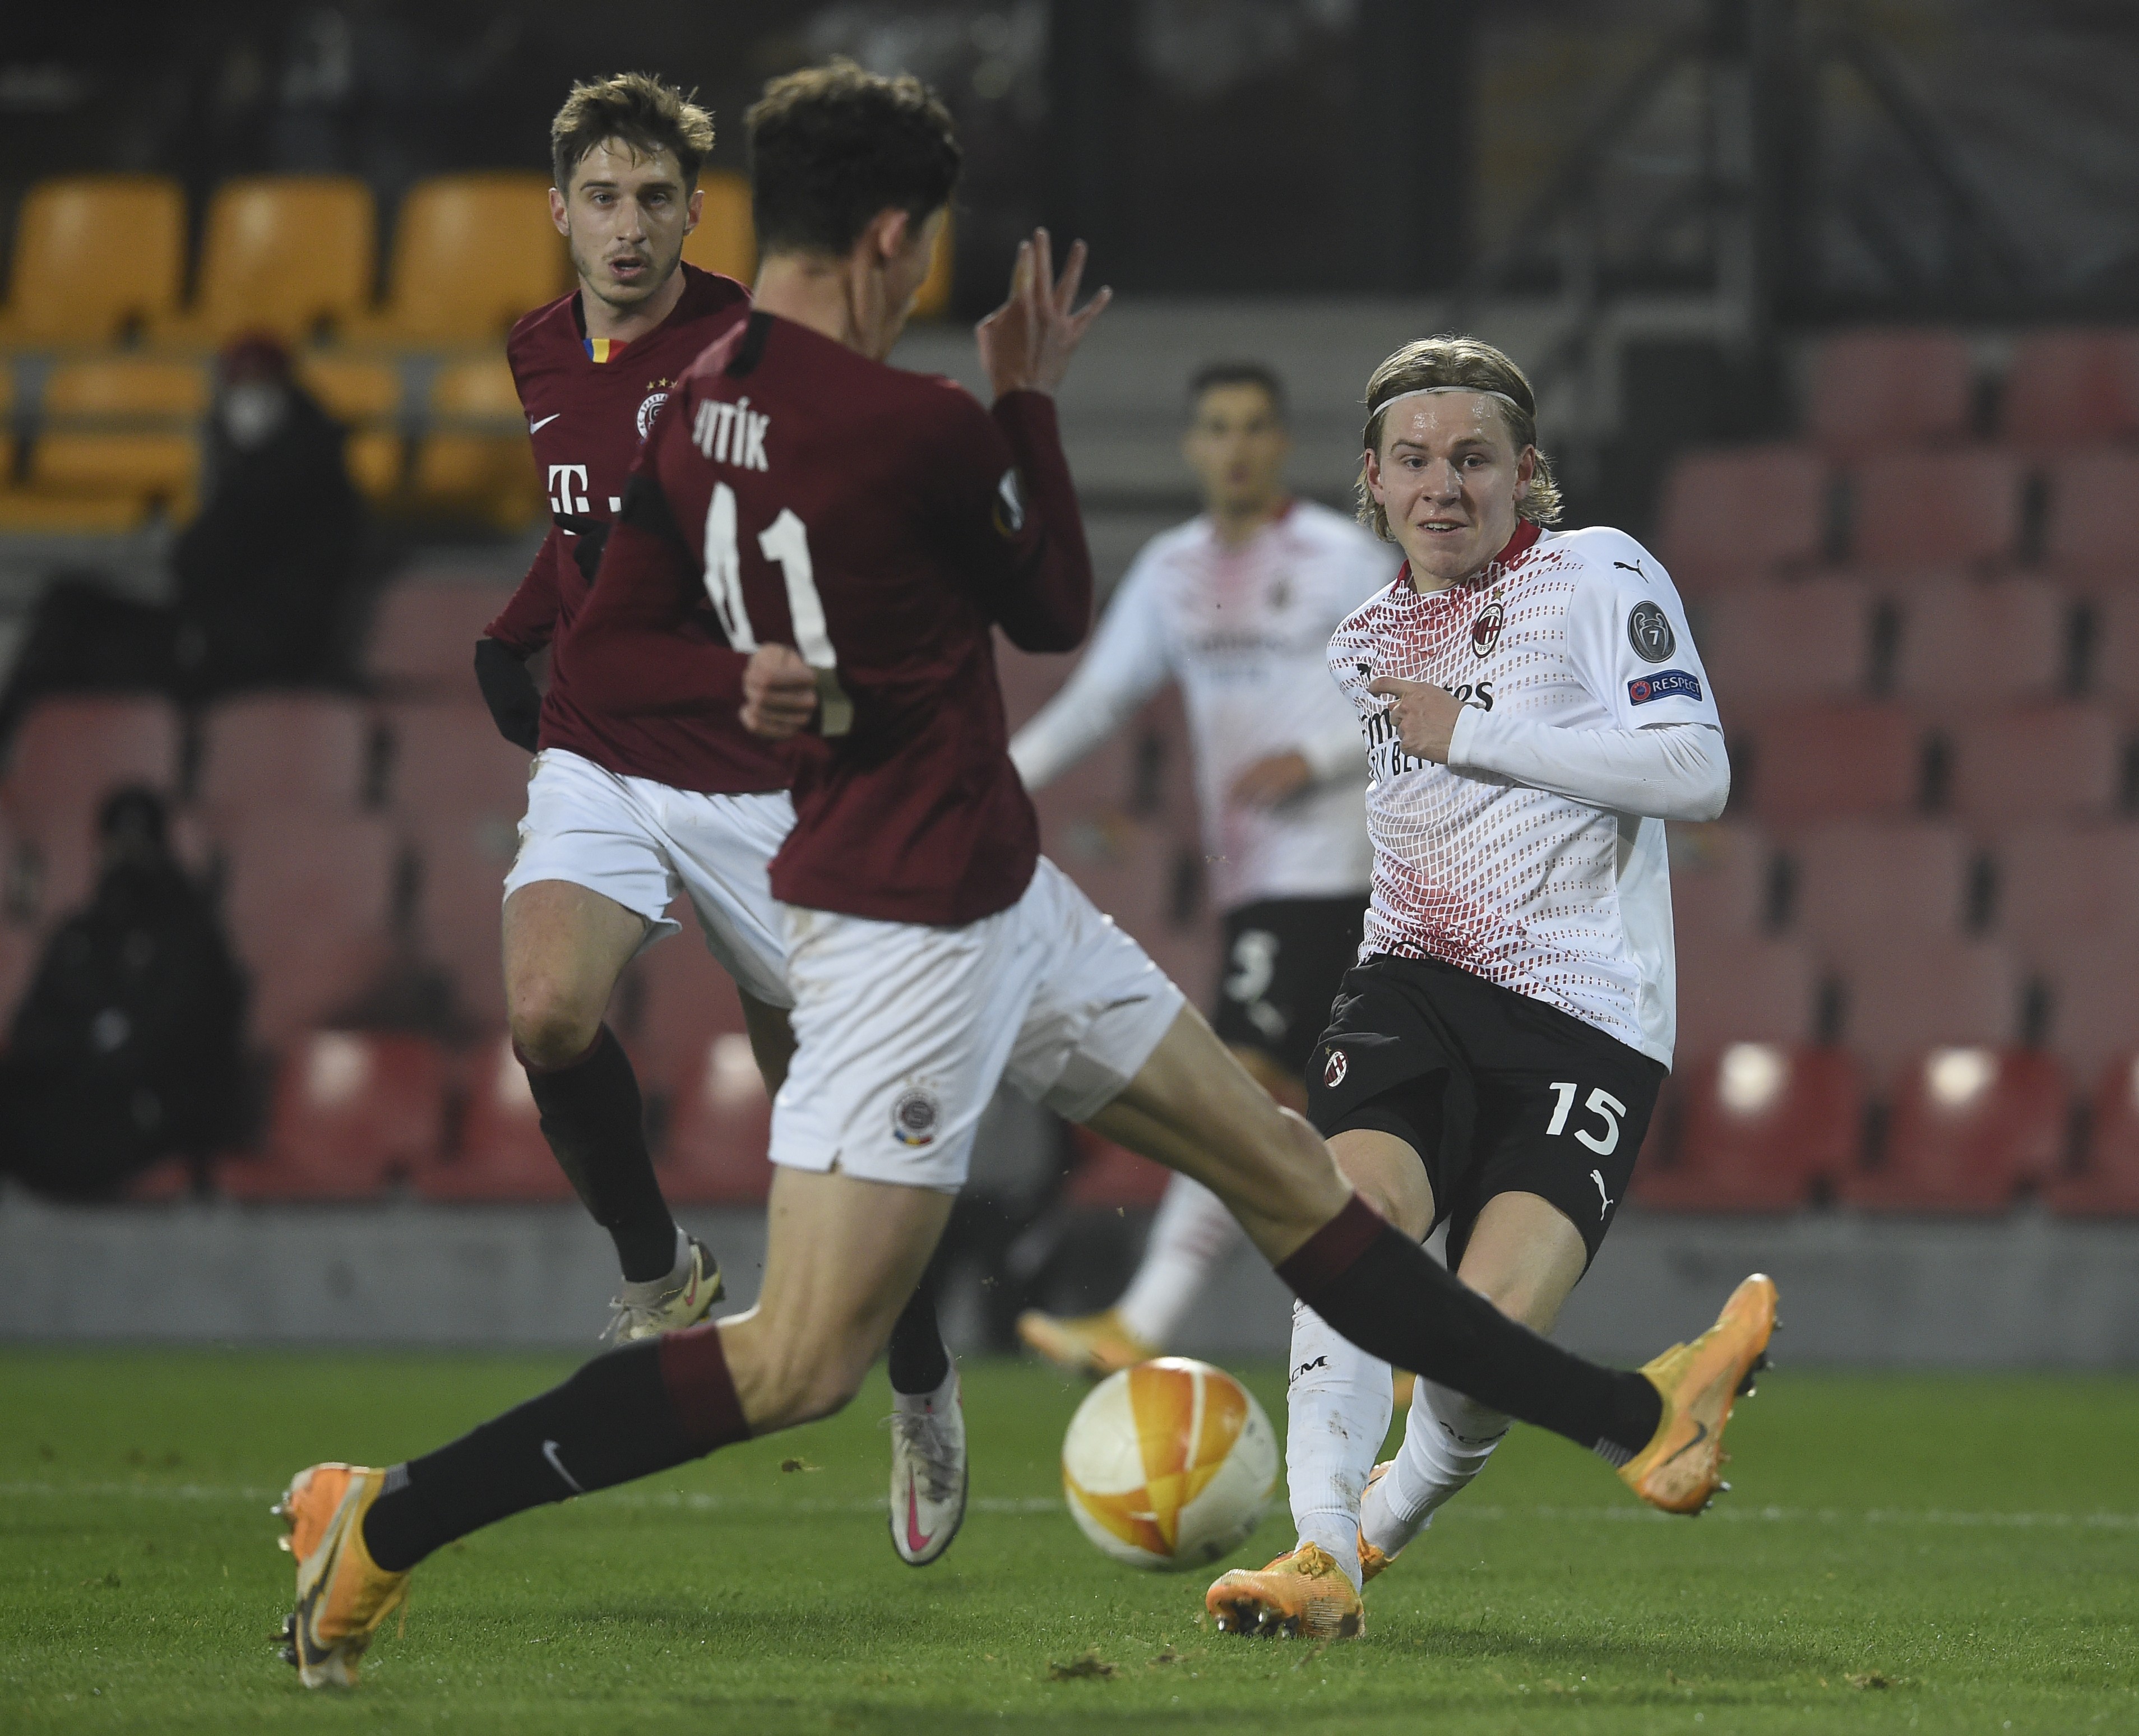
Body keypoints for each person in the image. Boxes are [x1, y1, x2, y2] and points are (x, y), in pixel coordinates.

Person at [271, 65, 1774, 1691]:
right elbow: (1051, 606)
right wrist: (1028, 401)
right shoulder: (916, 422)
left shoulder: (681, 410)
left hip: (1011, 894)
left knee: (1287, 1172)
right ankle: (387, 1517)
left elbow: (604, 647)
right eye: (927, 246)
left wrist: (790, 695)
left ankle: (1637, 1413)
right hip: (908, 931)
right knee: (796, 1362)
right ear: (897, 237)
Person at [1205, 336, 1739, 1640]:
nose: (1443, 485)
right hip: (1413, 982)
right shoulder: (1363, 640)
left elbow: (1698, 772)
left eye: (1473, 458)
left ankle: (1370, 1531)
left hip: (1588, 1015)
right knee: (1346, 1228)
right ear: (1372, 485)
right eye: (1414, 461)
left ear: (1526, 475)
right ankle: (1317, 1553)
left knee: (1479, 1343)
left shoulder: (1599, 572)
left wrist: (1475, 732)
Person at [1010, 360, 1394, 1378]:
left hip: (1336, 867)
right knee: (1324, 1118)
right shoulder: (1173, 573)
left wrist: (1311, 761)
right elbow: (1096, 702)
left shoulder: (1342, 557)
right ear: (1193, 445)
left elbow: (1426, 683)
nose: (1235, 446)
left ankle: (1146, 1318)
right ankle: (1416, 1332)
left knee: (1246, 1093)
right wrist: (993, 783)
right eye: (1217, 427)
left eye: (1254, 427)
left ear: (1280, 444)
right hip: (1258, 884)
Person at [471, 71, 761, 1341]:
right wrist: (515, 631)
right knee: (545, 1013)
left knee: (828, 1097)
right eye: (602, 197)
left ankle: (917, 1373)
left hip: (752, 755)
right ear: (559, 211)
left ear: (697, 212)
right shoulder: (537, 349)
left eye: (653, 197)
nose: (627, 224)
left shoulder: (748, 352)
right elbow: (584, 523)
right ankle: (660, 1273)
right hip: (601, 740)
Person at [0, 336, 366, 743]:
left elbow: (284, 596)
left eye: (261, 389)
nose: (249, 404)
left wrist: (205, 634)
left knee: (73, 637)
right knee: (68, 606)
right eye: (239, 388)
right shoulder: (255, 467)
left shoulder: (305, 479)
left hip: (244, 658)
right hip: (206, 634)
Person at [0, 788, 246, 1199]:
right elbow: (29, 1029)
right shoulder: (78, 933)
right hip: (70, 1092)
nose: (126, 857)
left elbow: (174, 1038)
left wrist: (86, 1044)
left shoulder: (189, 935)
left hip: (140, 1107)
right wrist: (87, 1040)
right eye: (117, 844)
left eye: (139, 845)